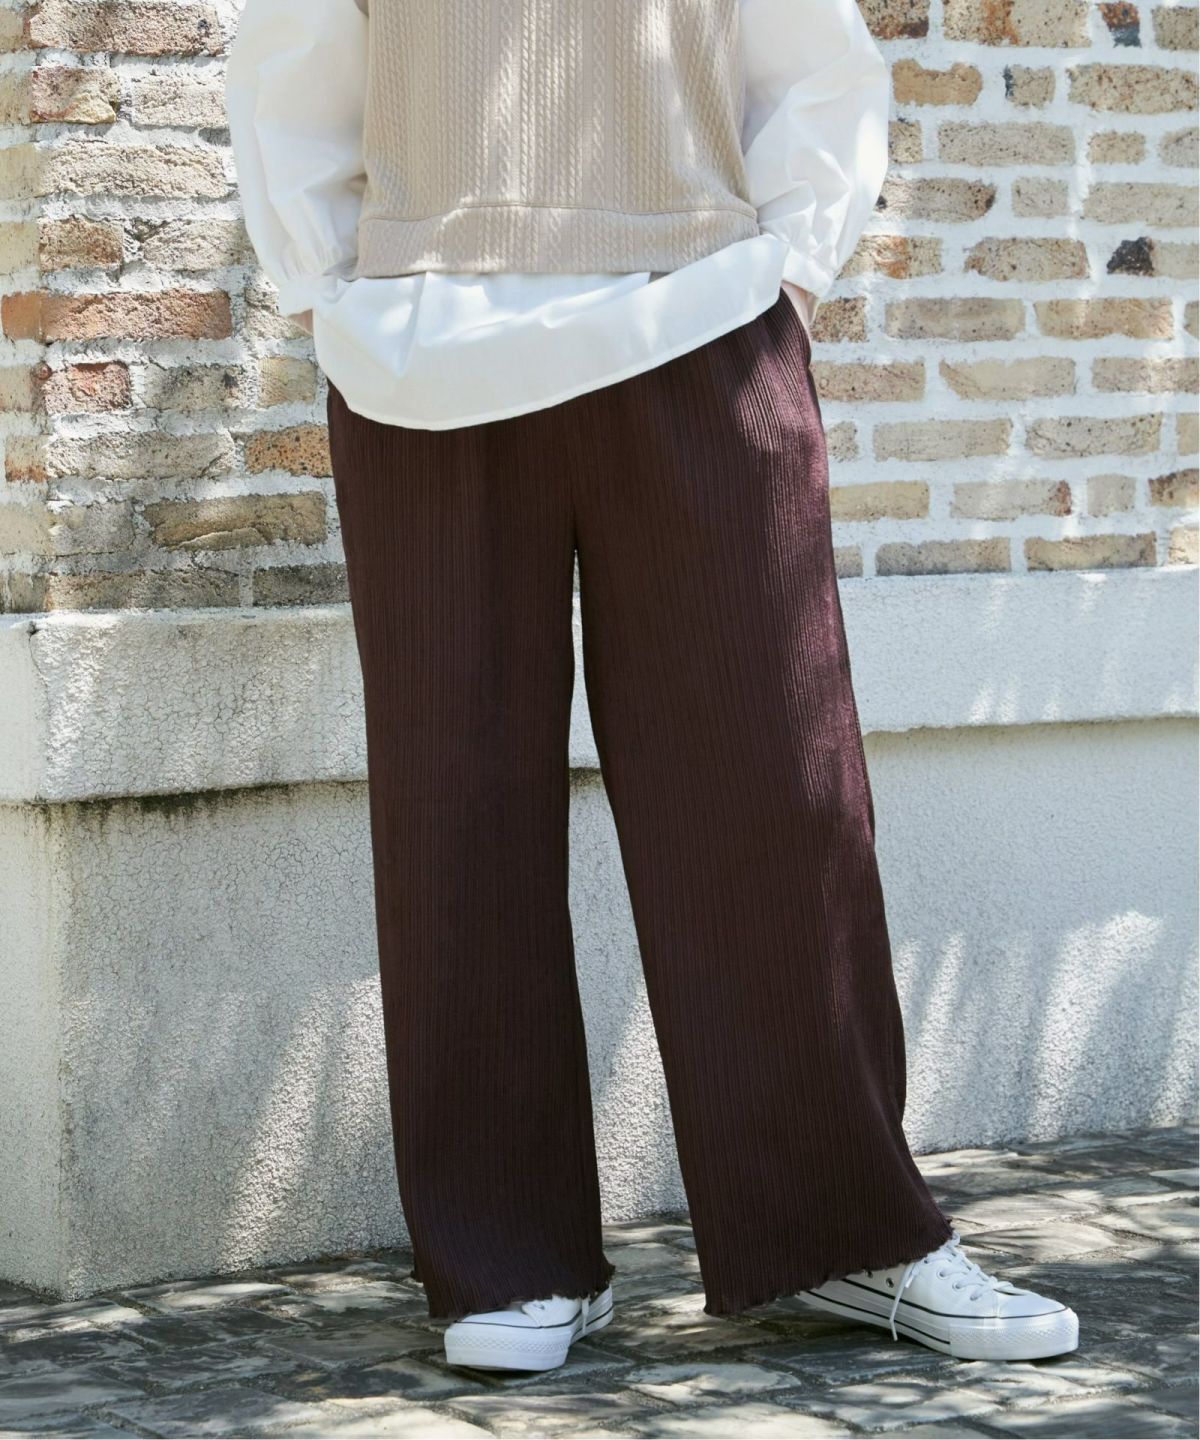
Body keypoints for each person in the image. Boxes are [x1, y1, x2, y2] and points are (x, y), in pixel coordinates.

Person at [225, 0, 1079, 1373]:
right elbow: (293, 58)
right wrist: (338, 294)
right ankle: (507, 1258)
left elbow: (810, 60)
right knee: (456, 812)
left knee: (776, 796)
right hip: (426, 354)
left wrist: (788, 274)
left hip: (699, 323)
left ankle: (844, 1235)